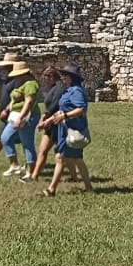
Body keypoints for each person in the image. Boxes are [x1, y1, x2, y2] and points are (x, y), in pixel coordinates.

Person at [39, 63, 93, 195]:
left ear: (71, 77)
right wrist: (48, 121)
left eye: (65, 75)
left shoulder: (76, 91)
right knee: (77, 160)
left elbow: (81, 109)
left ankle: (51, 189)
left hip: (73, 130)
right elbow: (62, 110)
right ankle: (89, 188)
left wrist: (66, 116)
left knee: (60, 158)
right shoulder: (68, 90)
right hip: (65, 130)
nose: (62, 77)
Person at [0, 61, 40, 177]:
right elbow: (14, 100)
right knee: (5, 138)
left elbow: (29, 102)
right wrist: (7, 109)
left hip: (27, 116)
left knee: (27, 143)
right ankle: (14, 165)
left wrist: (21, 117)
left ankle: (31, 173)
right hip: (15, 115)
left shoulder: (30, 84)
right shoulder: (19, 82)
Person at [28, 65, 73, 183]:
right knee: (61, 153)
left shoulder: (59, 87)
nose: (44, 80)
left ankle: (34, 176)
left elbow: (54, 105)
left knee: (51, 152)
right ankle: (35, 176)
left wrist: (44, 118)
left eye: (45, 77)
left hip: (56, 122)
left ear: (51, 76)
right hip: (53, 122)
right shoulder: (54, 87)